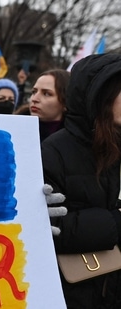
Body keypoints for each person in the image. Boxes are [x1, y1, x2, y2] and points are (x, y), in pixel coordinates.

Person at [42, 53, 121, 308]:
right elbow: (45, 228)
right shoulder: (53, 151)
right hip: (75, 294)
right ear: (100, 96)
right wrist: (114, 222)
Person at [29, 69, 69, 141]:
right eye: (34, 92)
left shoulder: (77, 140)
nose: (34, 99)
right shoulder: (15, 129)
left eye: (46, 94)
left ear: (65, 102)